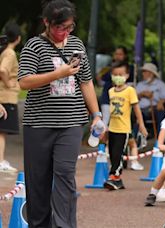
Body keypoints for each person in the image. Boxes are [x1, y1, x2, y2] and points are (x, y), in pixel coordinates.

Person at [17, 1, 104, 227]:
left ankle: (65, 225)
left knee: (65, 174)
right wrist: (59, 73)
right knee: (38, 182)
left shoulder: (76, 45)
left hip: (71, 123)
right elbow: (24, 81)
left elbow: (85, 82)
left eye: (69, 27)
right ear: (46, 23)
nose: (64, 32)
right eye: (59, 27)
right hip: (39, 124)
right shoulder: (34, 46)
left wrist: (97, 115)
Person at [103, 61, 147, 190]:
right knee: (112, 153)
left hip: (124, 129)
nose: (117, 76)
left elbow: (136, 108)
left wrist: (141, 125)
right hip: (112, 128)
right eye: (115, 74)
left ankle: (114, 176)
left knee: (118, 153)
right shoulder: (111, 91)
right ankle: (118, 179)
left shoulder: (130, 91)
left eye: (120, 74)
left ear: (127, 75)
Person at [0, 22, 21, 172]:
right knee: (2, 131)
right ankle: (0, 160)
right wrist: (9, 83)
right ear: (18, 38)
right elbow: (2, 70)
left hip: (5, 97)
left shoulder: (5, 51)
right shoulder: (10, 53)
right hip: (5, 97)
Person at [136, 62, 165, 137]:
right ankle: (134, 137)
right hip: (140, 109)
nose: (143, 74)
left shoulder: (160, 84)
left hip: (154, 108)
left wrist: (162, 101)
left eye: (145, 72)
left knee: (160, 110)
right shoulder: (140, 85)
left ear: (151, 74)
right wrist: (141, 94)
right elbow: (132, 98)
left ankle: (160, 137)